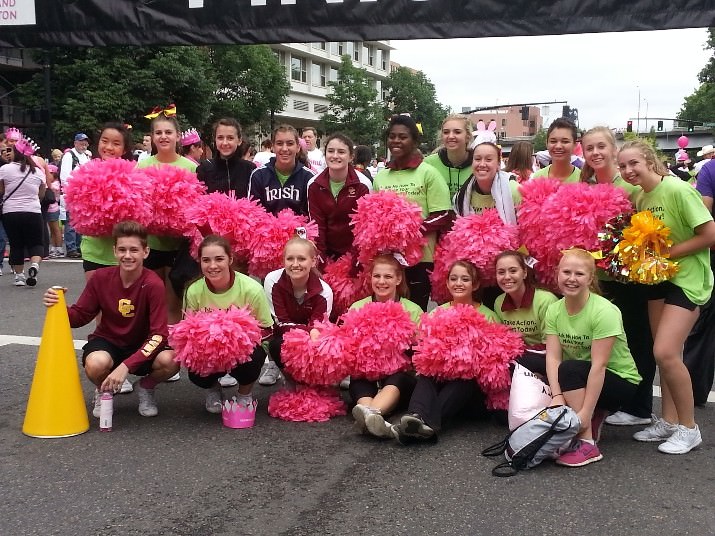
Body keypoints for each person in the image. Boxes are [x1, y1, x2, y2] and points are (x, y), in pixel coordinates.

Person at [618, 140, 715, 454]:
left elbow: (710, 236)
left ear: (648, 160)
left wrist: (667, 252)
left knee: (665, 352)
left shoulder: (677, 189)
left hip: (686, 280)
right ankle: (670, 421)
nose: (628, 170)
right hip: (657, 279)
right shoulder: (642, 197)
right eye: (623, 166)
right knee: (666, 356)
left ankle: (690, 428)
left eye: (633, 163)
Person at [41, 221, 179, 419]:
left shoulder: (153, 284)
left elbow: (159, 334)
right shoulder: (100, 278)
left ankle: (146, 387)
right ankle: (103, 390)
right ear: (114, 251)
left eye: (134, 250)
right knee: (96, 364)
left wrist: (125, 367)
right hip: (109, 342)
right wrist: (58, 307)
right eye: (122, 249)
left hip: (142, 343)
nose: (128, 255)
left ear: (145, 252)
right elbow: (80, 316)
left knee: (171, 360)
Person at [575, 126, 655, 427]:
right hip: (602, 277)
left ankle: (641, 407)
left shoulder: (631, 184)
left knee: (636, 338)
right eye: (589, 148)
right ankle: (615, 400)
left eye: (601, 147)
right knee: (610, 340)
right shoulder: (590, 184)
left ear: (613, 149)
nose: (595, 153)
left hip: (632, 277)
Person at [543, 249, 642, 467]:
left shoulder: (604, 311)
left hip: (619, 381)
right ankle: (589, 412)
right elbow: (552, 356)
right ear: (557, 274)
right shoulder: (553, 309)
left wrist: (584, 415)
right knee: (531, 362)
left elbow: (599, 366)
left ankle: (587, 442)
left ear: (590, 278)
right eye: (566, 272)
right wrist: (557, 395)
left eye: (579, 274)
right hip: (583, 374)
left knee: (569, 369)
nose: (571, 279)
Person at [393, 261, 496, 444]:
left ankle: (426, 424)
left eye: (465, 279)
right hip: (442, 377)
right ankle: (415, 416)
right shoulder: (437, 312)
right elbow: (423, 347)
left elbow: (494, 357)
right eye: (453, 278)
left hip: (470, 387)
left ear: (476, 284)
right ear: (447, 283)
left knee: (464, 379)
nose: (458, 283)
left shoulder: (488, 315)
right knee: (426, 375)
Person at [183, 235, 274, 414]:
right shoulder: (193, 291)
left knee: (254, 356)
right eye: (206, 260)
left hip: (242, 351)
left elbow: (267, 329)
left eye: (219, 259)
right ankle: (213, 389)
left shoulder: (251, 288)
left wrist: (239, 341)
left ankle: (244, 394)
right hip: (209, 351)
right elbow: (187, 331)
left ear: (230, 259)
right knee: (193, 365)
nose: (213, 266)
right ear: (199, 262)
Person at [373, 114, 453, 310]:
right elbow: (372, 216)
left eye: (403, 137)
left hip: (420, 260)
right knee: (388, 313)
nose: (396, 141)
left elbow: (443, 214)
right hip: (388, 260)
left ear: (415, 141)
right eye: (392, 136)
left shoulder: (428, 173)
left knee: (415, 313)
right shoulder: (381, 177)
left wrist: (409, 232)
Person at [349, 253, 423, 439]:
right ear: (370, 278)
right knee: (358, 379)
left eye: (388, 276)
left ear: (398, 279)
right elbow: (348, 349)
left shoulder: (413, 310)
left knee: (399, 378)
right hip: (367, 376)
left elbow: (421, 354)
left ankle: (370, 415)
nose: (381, 282)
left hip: (399, 379)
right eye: (377, 276)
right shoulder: (357, 307)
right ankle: (375, 419)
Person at [137, 112, 197, 324]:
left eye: (168, 132)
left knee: (173, 302)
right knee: (151, 300)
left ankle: (170, 349)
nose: (164, 136)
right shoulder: (142, 166)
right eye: (159, 132)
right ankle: (152, 345)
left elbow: (197, 207)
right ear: (152, 137)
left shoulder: (190, 167)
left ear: (178, 136)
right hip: (150, 244)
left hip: (178, 246)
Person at [262, 236, 333, 386]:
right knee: (276, 344)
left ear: (313, 261)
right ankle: (290, 381)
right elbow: (280, 323)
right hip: (284, 334)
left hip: (312, 340)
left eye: (301, 259)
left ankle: (315, 382)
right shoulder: (271, 280)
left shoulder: (325, 292)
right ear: (283, 261)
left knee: (321, 345)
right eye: (290, 259)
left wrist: (312, 332)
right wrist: (309, 330)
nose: (295, 264)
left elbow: (319, 330)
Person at [307, 133, 372, 266]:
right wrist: (321, 261)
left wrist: (354, 262)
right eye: (330, 151)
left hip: (354, 254)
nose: (335, 156)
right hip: (326, 253)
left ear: (351, 157)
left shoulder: (363, 184)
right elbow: (317, 226)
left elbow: (363, 228)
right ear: (325, 155)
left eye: (341, 152)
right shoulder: (313, 184)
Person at [0, 136, 46, 287]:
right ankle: (34, 266)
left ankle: (19, 276)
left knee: (16, 243)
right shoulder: (38, 172)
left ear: (16, 153)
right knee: (36, 243)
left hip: (10, 212)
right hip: (32, 211)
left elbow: (1, 190)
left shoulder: (4, 169)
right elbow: (41, 195)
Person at [493, 250, 558, 352]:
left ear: (524, 273)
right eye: (501, 272)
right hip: (517, 356)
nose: (507, 277)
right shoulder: (498, 302)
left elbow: (551, 346)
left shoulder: (546, 301)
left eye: (513, 271)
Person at [249, 124, 313, 217]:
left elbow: (311, 218)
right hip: (266, 230)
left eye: (290, 143)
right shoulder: (259, 175)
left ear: (298, 147)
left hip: (298, 231)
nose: (284, 149)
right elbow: (253, 214)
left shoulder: (309, 178)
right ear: (273, 147)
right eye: (279, 143)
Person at [453, 142, 521, 222]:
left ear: (498, 164)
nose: (482, 164)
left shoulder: (514, 190)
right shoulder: (460, 197)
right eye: (477, 159)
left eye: (488, 160)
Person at [196, 118, 256, 199]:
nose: (225, 143)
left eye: (230, 138)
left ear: (239, 140)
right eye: (220, 138)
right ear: (215, 140)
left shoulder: (250, 169)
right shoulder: (204, 169)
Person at [423, 114, 474, 198]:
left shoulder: (478, 164)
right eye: (446, 132)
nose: (450, 136)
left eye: (457, 132)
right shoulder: (428, 164)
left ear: (468, 136)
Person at [59, 132, 91, 258]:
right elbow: (64, 176)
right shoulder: (69, 156)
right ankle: (71, 247)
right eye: (81, 143)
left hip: (84, 193)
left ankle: (79, 246)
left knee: (80, 222)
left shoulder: (86, 157)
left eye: (85, 143)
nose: (83, 145)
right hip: (73, 193)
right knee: (71, 221)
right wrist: (70, 191)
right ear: (75, 143)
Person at [532, 118, 581, 183]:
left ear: (575, 144)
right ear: (546, 143)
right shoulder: (537, 178)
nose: (558, 146)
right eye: (553, 141)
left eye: (565, 141)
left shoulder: (584, 179)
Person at [44, 163, 63, 259]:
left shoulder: (55, 184)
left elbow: (51, 188)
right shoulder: (51, 184)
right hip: (49, 209)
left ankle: (59, 248)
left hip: (54, 208)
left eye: (50, 173)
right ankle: (54, 247)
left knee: (56, 229)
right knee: (51, 229)